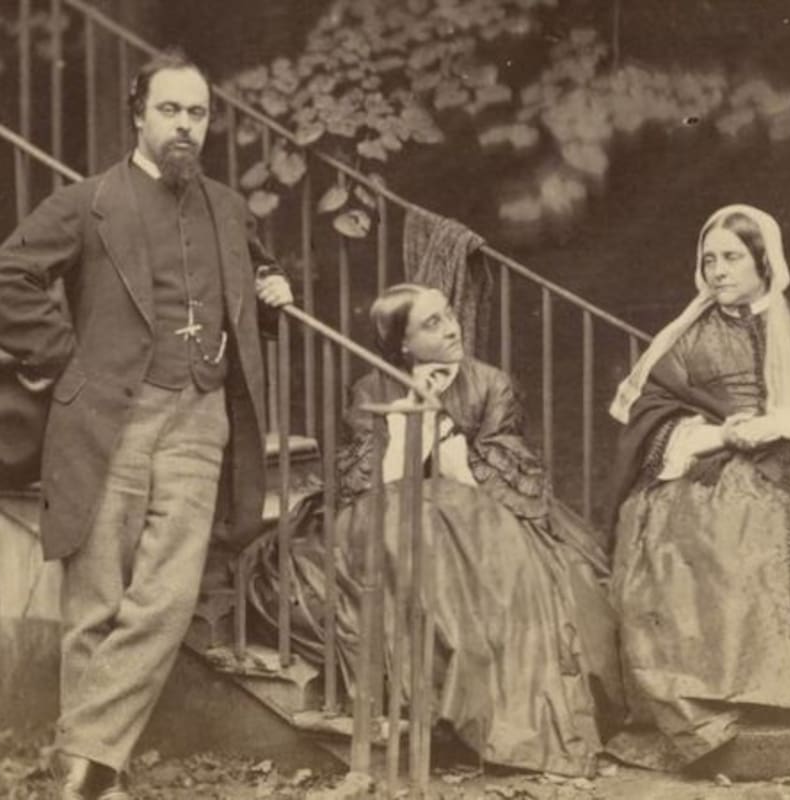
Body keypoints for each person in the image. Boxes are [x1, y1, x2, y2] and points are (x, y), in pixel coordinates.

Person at [0, 50, 293, 799]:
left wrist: (274, 295)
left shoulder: (226, 206)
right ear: (138, 114)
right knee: (97, 599)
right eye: (171, 111)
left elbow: (254, 281)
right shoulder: (87, 203)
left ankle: (80, 759)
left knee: (168, 595)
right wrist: (66, 358)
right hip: (113, 415)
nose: (186, 126)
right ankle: (97, 777)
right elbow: (2, 283)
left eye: (198, 113)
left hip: (200, 414)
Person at [249, 283, 620, 777]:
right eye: (431, 324)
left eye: (448, 316)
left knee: (502, 567)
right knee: (398, 532)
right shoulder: (373, 389)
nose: (450, 329)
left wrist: (446, 437)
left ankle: (494, 711)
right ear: (401, 345)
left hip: (481, 517)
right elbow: (370, 484)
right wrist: (411, 418)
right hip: (401, 519)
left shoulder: (490, 384)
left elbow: (497, 479)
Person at [605, 205, 790, 776]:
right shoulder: (685, 338)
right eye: (709, 260)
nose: (718, 271)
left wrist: (785, 423)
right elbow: (653, 413)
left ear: (764, 261)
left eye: (732, 258)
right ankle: (713, 714)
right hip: (706, 468)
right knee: (700, 543)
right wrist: (719, 432)